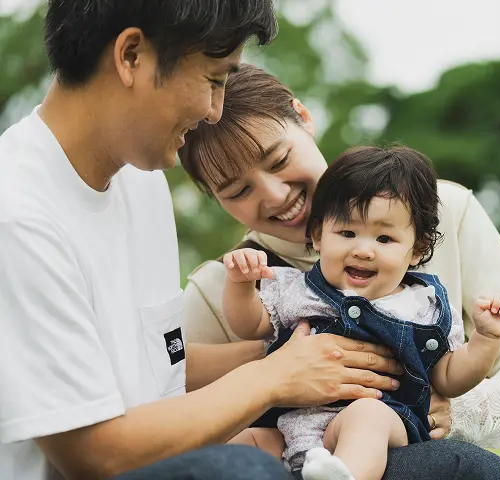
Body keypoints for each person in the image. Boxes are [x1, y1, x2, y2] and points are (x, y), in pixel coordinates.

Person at [0, 2, 407, 479]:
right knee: (241, 468)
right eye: (215, 79)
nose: (215, 111)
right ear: (131, 55)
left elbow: (158, 361)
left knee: (455, 466)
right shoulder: (19, 216)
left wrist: (313, 349)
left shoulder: (141, 182)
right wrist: (275, 377)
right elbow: (95, 455)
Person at [179, 65, 500, 479]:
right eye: (238, 191)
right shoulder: (221, 283)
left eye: (279, 160)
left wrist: (453, 411)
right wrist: (278, 358)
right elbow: (172, 396)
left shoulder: (443, 212)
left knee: (467, 468)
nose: (275, 195)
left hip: (407, 448)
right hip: (288, 454)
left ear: (303, 117)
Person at [224, 145, 500, 480]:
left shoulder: (423, 305)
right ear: (319, 235)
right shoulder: (296, 288)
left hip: (383, 420)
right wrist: (240, 286)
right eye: (347, 233)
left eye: (384, 238)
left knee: (365, 417)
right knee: (237, 445)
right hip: (292, 429)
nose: (363, 250)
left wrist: (486, 339)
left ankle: (347, 475)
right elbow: (250, 325)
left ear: (417, 249)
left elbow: (449, 378)